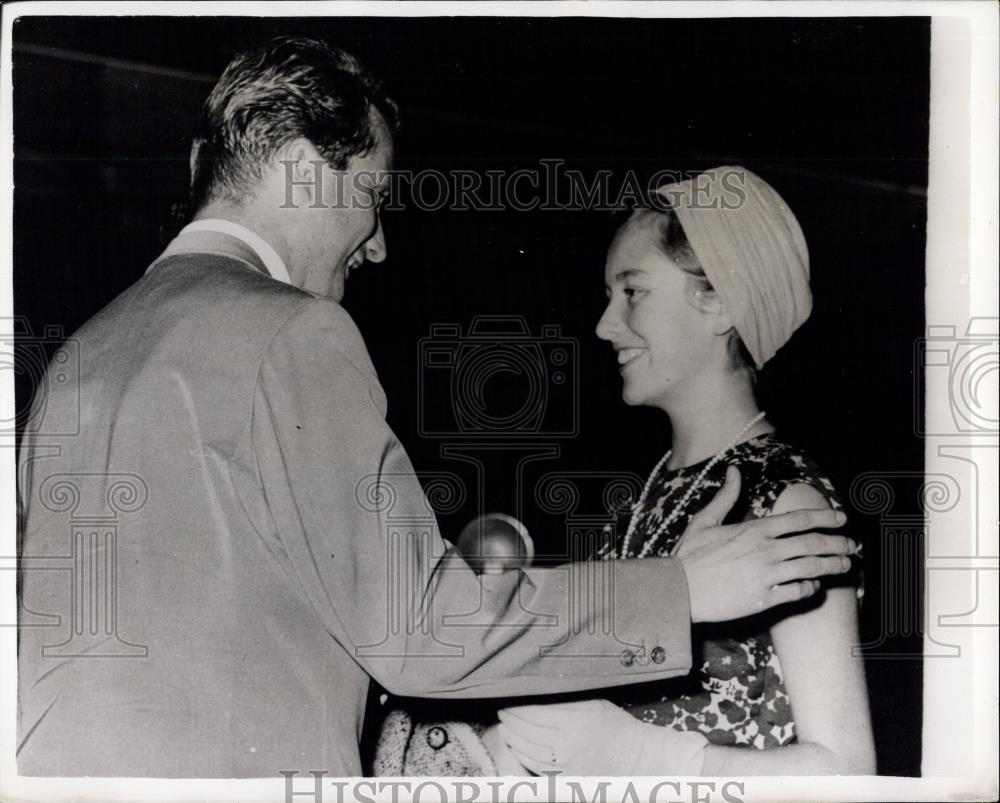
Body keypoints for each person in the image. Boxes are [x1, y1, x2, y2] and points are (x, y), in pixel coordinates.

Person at [16, 37, 855, 778]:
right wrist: (674, 591)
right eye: (374, 194)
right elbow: (419, 629)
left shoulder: (80, 355)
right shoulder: (293, 329)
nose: (378, 242)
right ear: (306, 168)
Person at [496, 167, 876, 776]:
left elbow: (848, 769)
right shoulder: (652, 490)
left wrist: (640, 755)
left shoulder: (786, 498)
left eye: (632, 291)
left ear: (719, 301)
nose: (604, 325)